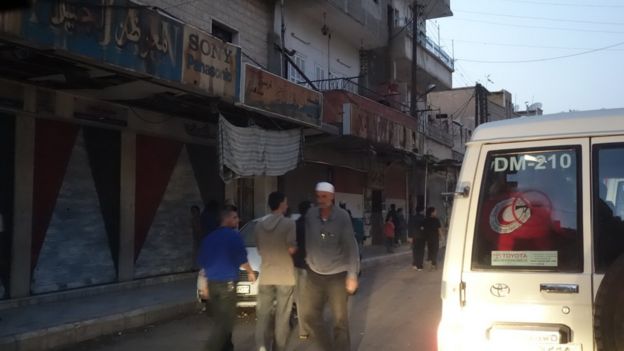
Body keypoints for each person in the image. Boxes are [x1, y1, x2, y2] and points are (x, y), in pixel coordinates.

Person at [303, 182, 360, 351]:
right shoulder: (310, 215)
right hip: (314, 274)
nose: (321, 200)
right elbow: (308, 239)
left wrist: (352, 274)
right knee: (310, 316)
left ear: (332, 197)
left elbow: (351, 246)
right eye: (318, 196)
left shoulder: (342, 216)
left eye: (324, 196)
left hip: (337, 275)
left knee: (339, 321)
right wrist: (308, 260)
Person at [197, 205, 256, 351]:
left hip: (212, 284)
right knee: (225, 323)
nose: (238, 220)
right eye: (235, 217)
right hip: (227, 286)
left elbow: (203, 265)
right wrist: (250, 272)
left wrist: (204, 286)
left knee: (220, 320)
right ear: (227, 219)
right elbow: (242, 259)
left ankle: (227, 348)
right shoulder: (234, 236)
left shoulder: (209, 238)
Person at [254, 192, 297, 351]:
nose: (287, 205)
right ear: (280, 204)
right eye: (285, 202)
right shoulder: (289, 224)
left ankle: (261, 347)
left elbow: (259, 250)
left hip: (266, 275)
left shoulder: (259, 225)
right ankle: (278, 348)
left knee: (262, 316)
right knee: (282, 317)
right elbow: (291, 248)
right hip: (284, 276)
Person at [293, 200, 312, 339]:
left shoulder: (295, 224)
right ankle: (311, 327)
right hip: (309, 266)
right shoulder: (311, 225)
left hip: (296, 265)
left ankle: (303, 330)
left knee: (300, 299)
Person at [422, 207, 443, 271]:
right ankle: (433, 264)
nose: (436, 212)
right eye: (435, 211)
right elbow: (439, 229)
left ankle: (429, 264)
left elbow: (423, 229)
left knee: (430, 251)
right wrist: (442, 236)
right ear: (432, 212)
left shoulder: (425, 220)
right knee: (435, 251)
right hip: (434, 238)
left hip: (428, 238)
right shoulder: (436, 220)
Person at [191, 205, 202, 269]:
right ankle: (195, 267)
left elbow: (199, 229)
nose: (194, 213)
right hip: (196, 238)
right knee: (196, 253)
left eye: (195, 211)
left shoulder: (201, 219)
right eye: (193, 211)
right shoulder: (193, 220)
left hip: (201, 238)